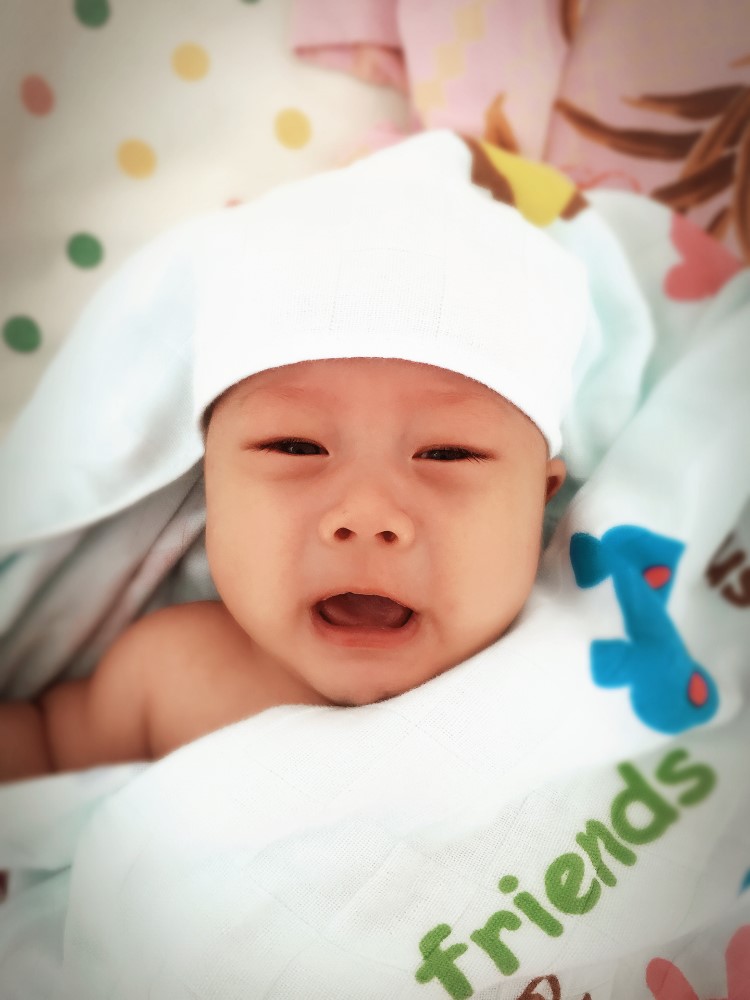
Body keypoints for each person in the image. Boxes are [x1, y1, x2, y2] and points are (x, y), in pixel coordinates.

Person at [0, 130, 588, 782]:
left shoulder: (581, 672)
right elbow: (42, 752)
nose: (366, 513)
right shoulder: (174, 676)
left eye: (448, 453)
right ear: (209, 485)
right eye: (295, 447)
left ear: (540, 498)